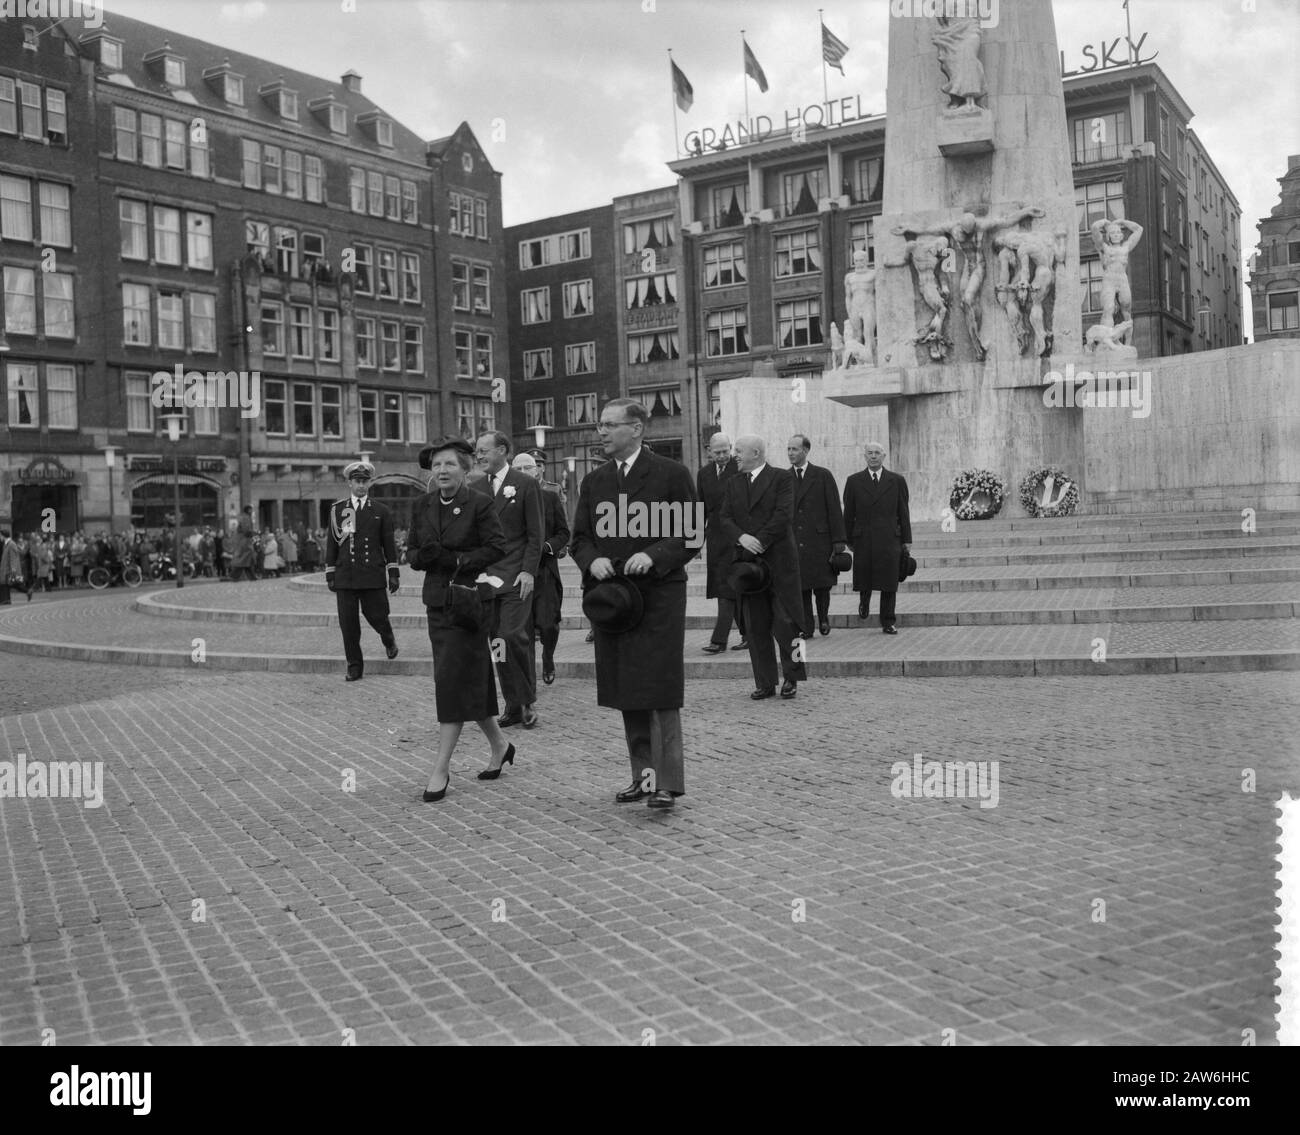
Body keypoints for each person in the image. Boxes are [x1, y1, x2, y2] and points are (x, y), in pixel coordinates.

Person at [570, 398, 699, 810]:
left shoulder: (673, 475)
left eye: (609, 425)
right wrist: (594, 560)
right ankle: (643, 778)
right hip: (615, 601)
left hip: (659, 598)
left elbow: (691, 536)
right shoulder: (595, 482)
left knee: (659, 689)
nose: (601, 433)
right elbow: (580, 539)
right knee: (629, 690)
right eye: (599, 426)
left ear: (638, 428)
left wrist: (655, 555)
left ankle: (668, 784)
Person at [407, 437, 512, 801]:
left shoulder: (479, 504)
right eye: (436, 466)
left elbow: (497, 547)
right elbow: (413, 553)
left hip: (467, 603)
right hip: (437, 603)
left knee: (451, 681)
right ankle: (500, 746)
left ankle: (440, 769)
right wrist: (424, 556)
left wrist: (456, 561)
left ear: (465, 469)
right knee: (467, 678)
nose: (442, 471)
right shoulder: (422, 505)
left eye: (449, 464)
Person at [719, 435, 808, 700]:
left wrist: (758, 540)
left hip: (779, 563)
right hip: (748, 568)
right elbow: (724, 517)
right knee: (755, 627)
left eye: (739, 451)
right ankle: (765, 682)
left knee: (788, 625)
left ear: (755, 453)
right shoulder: (734, 482)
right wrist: (741, 537)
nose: (735, 455)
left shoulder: (782, 478)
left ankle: (793, 677)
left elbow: (783, 515)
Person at [473, 431, 545, 729]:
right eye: (476, 452)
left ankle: (526, 700)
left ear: (501, 450)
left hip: (517, 577)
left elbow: (536, 533)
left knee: (513, 635)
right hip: (487, 580)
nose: (478, 456)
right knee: (498, 641)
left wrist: (529, 571)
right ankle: (513, 704)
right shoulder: (475, 488)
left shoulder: (525, 484)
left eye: (483, 451)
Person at [324, 460, 400, 681]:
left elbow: (388, 544)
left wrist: (393, 572)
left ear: (370, 483)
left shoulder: (380, 510)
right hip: (345, 574)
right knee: (348, 625)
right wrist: (330, 572)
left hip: (372, 574)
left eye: (365, 481)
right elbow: (332, 543)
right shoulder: (339, 509)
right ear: (349, 483)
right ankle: (354, 665)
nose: (361, 486)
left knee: (378, 616)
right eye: (357, 481)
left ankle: (387, 637)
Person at [512, 452, 569, 686]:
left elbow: (564, 533)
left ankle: (548, 656)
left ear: (537, 471)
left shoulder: (550, 498)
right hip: (516, 573)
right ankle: (528, 686)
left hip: (545, 570)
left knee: (548, 624)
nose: (524, 473)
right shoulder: (505, 500)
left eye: (528, 468)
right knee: (522, 630)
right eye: (519, 469)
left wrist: (547, 547)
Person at [843, 441, 912, 635]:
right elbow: (848, 513)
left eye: (877, 453)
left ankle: (888, 621)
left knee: (889, 581)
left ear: (884, 456)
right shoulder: (854, 481)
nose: (873, 456)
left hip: (890, 538)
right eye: (870, 453)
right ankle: (864, 601)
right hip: (863, 538)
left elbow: (903, 511)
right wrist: (846, 539)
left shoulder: (896, 480)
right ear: (865, 457)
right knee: (865, 575)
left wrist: (906, 539)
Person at [787, 435, 847, 637]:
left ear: (805, 451)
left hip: (819, 540)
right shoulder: (784, 478)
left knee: (822, 586)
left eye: (794, 449)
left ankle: (823, 618)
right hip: (796, 541)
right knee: (801, 588)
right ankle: (806, 626)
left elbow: (834, 509)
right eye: (788, 449)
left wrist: (839, 540)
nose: (790, 453)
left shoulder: (822, 475)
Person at [696, 431, 748, 654]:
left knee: (726, 590)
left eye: (725, 451)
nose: (722, 456)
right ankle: (749, 634)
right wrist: (695, 540)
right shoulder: (703, 474)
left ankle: (719, 640)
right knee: (727, 589)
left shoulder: (741, 469)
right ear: (709, 452)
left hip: (737, 539)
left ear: (731, 448)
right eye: (717, 452)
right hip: (716, 540)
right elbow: (699, 508)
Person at [0, 530, 22, 605]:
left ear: (3, 535)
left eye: (0, 535)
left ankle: (6, 600)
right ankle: (6, 600)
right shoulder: (6, 544)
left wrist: (13, 568)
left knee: (9, 584)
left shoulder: (11, 544)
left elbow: (13, 557)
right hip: (5, 568)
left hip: (9, 569)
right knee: (5, 584)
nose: (0, 537)